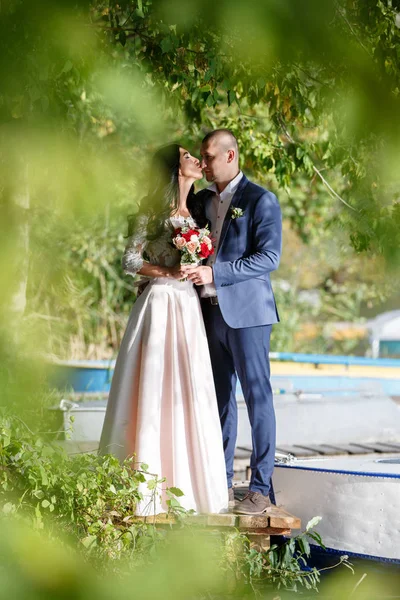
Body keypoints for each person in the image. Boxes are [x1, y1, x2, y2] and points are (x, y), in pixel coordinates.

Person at [99, 144, 229, 516]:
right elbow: (129, 260)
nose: (197, 162)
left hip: (187, 306)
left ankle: (185, 484)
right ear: (175, 169)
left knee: (187, 388)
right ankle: (142, 485)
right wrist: (167, 272)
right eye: (190, 157)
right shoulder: (151, 213)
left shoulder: (200, 212)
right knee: (152, 384)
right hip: (159, 304)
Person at [183, 129, 282, 515]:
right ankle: (220, 483)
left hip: (249, 316)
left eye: (208, 158)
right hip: (209, 314)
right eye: (202, 158)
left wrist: (215, 273)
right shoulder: (204, 200)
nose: (204, 164)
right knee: (220, 400)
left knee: (258, 397)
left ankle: (259, 488)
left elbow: (268, 258)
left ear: (230, 155)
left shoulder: (261, 199)